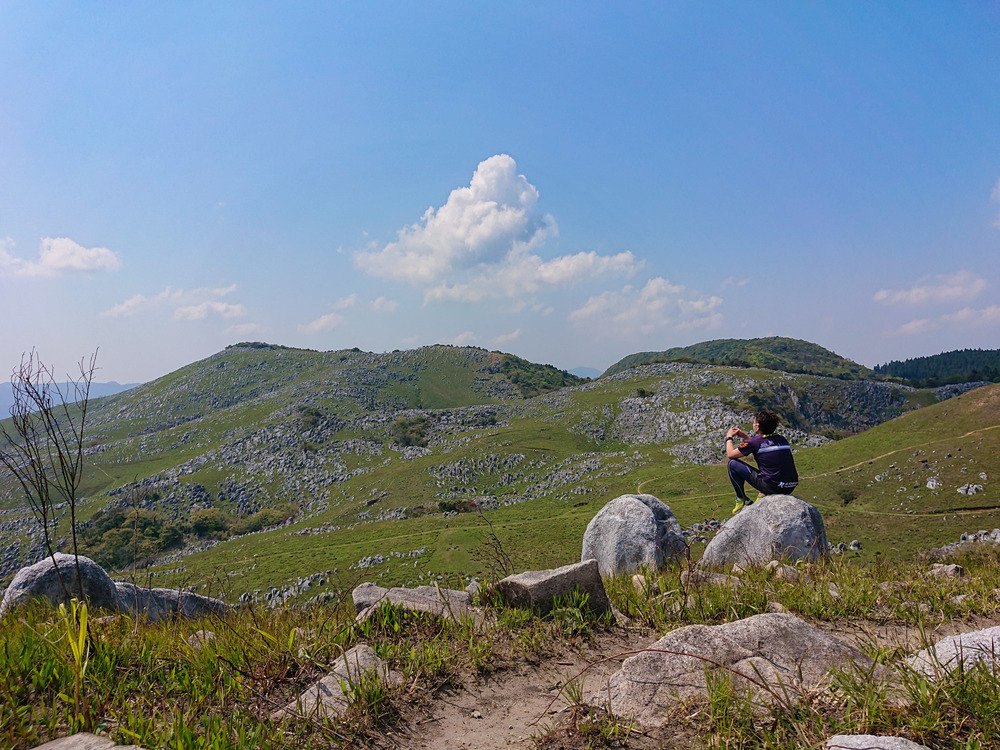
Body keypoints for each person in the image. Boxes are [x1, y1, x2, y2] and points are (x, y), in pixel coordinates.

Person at [725, 410, 798, 514]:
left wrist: (729, 437)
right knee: (770, 466)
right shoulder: (782, 439)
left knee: (732, 464)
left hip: (772, 487)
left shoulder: (755, 442)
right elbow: (760, 444)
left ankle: (741, 498)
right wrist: (745, 437)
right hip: (789, 486)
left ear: (758, 427)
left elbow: (731, 454)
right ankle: (762, 493)